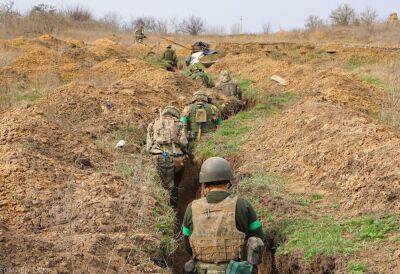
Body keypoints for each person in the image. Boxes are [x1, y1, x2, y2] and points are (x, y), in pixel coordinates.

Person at [182, 157, 265, 274]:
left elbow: (187, 246)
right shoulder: (242, 205)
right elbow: (258, 238)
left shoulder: (191, 208)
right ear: (228, 182)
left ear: (204, 184)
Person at [146, 106, 188, 206]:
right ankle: (174, 207)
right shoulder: (179, 124)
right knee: (175, 186)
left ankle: (164, 208)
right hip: (176, 160)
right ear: (175, 114)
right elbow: (184, 142)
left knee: (161, 186)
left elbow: (148, 148)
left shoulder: (152, 124)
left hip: (157, 158)